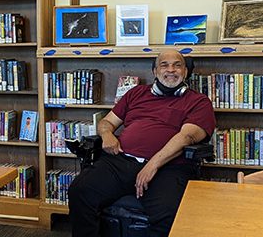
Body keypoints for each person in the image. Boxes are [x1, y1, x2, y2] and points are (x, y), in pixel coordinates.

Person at [68, 49, 215, 237]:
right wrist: (107, 135)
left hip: (168, 167)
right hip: (121, 161)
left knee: (168, 214)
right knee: (80, 191)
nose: (171, 70)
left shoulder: (199, 101)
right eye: (164, 65)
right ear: (155, 71)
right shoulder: (136, 93)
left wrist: (152, 165)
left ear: (185, 72)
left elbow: (186, 137)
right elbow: (107, 122)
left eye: (177, 65)